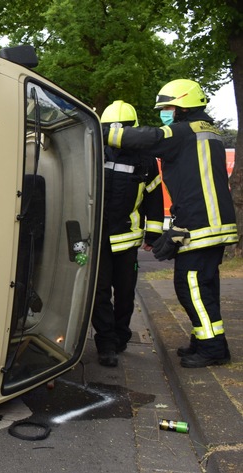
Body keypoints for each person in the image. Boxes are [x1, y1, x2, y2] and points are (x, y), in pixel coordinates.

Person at [105, 79, 238, 368]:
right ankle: (205, 340)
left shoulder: (186, 131)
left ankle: (213, 348)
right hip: (209, 222)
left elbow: (148, 138)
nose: (165, 113)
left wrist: (104, 132)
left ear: (181, 106)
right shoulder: (208, 131)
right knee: (203, 286)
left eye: (167, 107)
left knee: (191, 286)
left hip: (202, 225)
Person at [93, 100, 164, 367]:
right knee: (99, 293)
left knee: (125, 292)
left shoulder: (146, 160)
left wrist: (153, 235)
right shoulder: (94, 151)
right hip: (97, 238)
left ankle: (121, 335)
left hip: (127, 238)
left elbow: (154, 199)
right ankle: (106, 342)